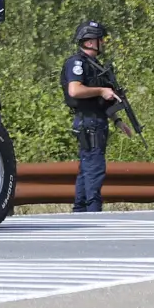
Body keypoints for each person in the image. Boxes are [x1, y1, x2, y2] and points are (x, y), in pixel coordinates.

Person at [62, 20, 122, 213]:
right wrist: (101, 90)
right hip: (88, 121)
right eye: (99, 39)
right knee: (94, 168)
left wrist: (118, 120)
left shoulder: (95, 65)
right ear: (89, 42)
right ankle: (93, 211)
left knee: (87, 167)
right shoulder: (77, 63)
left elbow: (104, 99)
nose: (102, 43)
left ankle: (80, 210)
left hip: (96, 119)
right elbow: (74, 90)